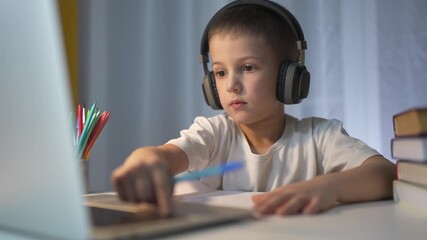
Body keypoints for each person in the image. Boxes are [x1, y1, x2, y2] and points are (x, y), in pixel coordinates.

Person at [111, 0, 396, 217]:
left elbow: (384, 173)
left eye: (247, 68)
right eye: (220, 73)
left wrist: (327, 187)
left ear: (289, 77)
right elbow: (164, 156)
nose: (231, 85)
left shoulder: (319, 136)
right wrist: (146, 159)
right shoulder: (213, 133)